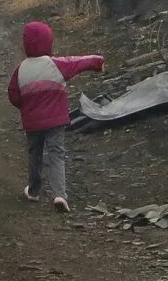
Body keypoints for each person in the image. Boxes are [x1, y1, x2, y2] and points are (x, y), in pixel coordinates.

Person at [6, 20, 106, 212]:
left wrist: (26, 105)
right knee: (56, 154)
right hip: (56, 120)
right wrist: (98, 62)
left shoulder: (20, 70)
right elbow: (79, 62)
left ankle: (34, 190)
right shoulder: (56, 65)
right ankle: (59, 195)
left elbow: (13, 96)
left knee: (34, 154)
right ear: (48, 42)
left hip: (32, 122)